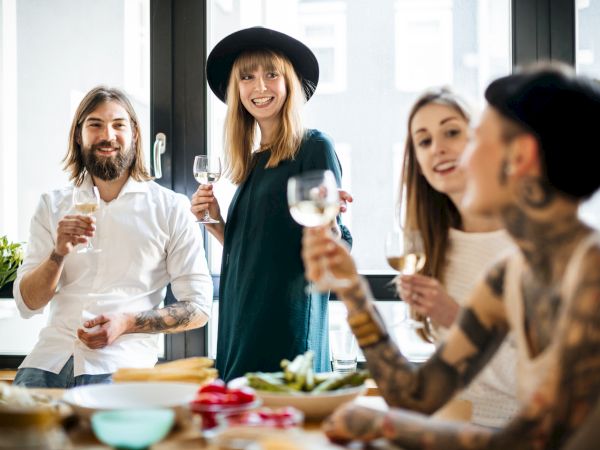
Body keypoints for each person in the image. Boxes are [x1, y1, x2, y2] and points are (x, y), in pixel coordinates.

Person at [301, 62, 600, 448]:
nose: (461, 158)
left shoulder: (591, 271)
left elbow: (535, 440)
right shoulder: (508, 276)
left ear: (520, 156)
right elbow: (416, 397)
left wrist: (387, 426)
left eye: (475, 140)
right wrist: (353, 292)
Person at [13, 86, 213, 388]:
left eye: (118, 125)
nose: (108, 135)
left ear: (133, 132)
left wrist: (127, 323)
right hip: (46, 361)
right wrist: (57, 254)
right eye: (95, 124)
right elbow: (28, 303)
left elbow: (198, 308)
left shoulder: (171, 208)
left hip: (122, 366)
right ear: (79, 135)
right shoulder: (51, 205)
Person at [192, 27, 351, 381]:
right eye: (247, 77)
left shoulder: (314, 147)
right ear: (237, 91)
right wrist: (215, 221)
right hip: (241, 316)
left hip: (286, 322)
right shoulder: (254, 162)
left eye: (271, 74)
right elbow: (253, 249)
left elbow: (333, 246)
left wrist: (332, 224)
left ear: (289, 83)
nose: (259, 87)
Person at [395, 87, 519, 427]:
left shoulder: (526, 240)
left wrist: (458, 320)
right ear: (418, 164)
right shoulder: (431, 244)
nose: (438, 148)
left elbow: (547, 375)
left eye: (452, 132)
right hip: (454, 423)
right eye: (424, 141)